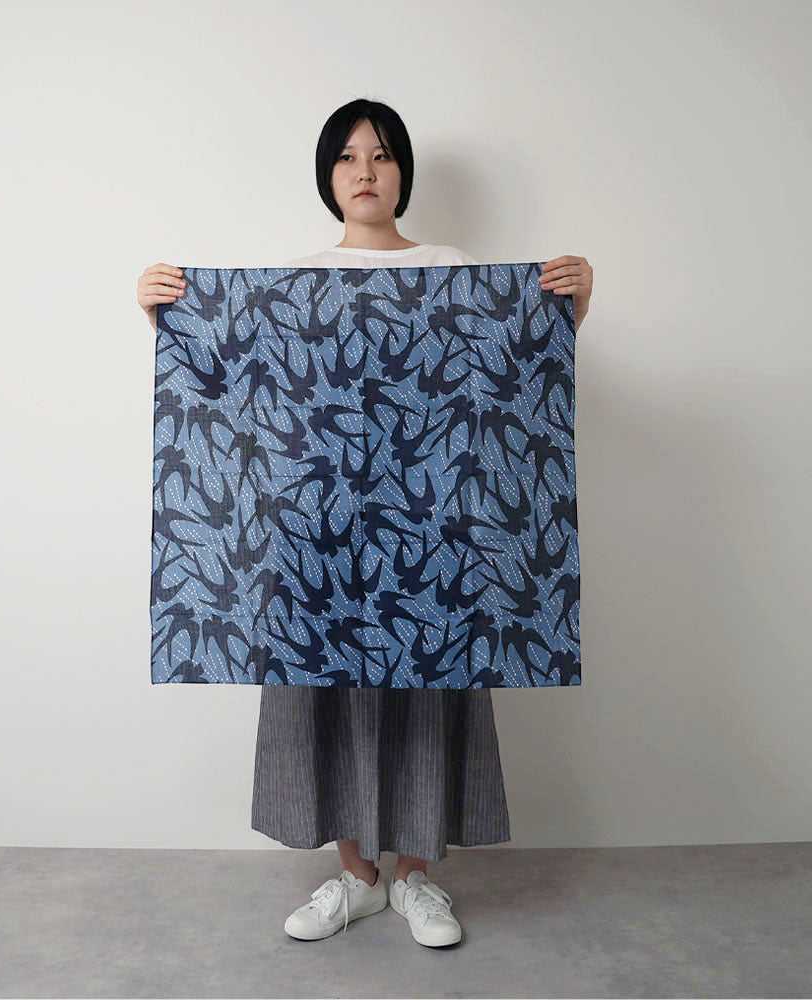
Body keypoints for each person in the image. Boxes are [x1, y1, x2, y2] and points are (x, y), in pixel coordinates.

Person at [136, 99, 593, 949]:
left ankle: (414, 878)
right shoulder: (294, 276)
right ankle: (357, 877)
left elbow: (510, 373)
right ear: (328, 176)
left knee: (426, 695)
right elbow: (243, 393)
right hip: (315, 530)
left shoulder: (450, 268)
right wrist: (164, 314)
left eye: (381, 155)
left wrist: (574, 305)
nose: (365, 171)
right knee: (324, 694)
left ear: (402, 171)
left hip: (432, 530)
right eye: (347, 157)